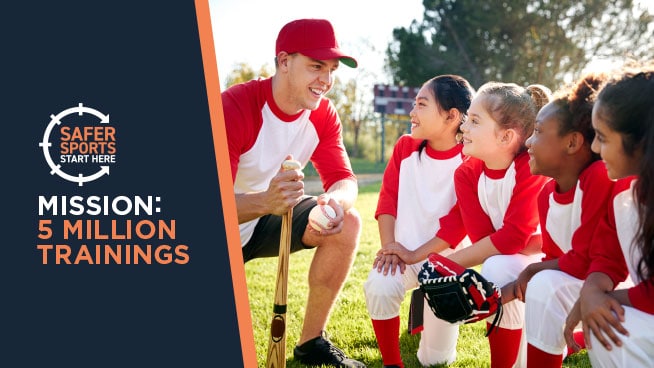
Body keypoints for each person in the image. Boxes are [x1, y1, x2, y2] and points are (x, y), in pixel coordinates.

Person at [221, 18, 365, 368]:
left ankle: (311, 343)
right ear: (284, 62)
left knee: (347, 223)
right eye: (316, 67)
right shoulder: (236, 106)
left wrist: (335, 202)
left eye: (331, 70)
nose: (326, 81)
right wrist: (265, 202)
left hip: (263, 222)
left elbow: (345, 179)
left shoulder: (322, 115)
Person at [382, 81, 552, 368]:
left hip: (556, 261)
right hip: (514, 257)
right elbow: (486, 238)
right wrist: (515, 242)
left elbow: (509, 239)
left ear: (506, 136)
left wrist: (438, 265)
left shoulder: (530, 166)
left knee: (499, 267)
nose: (463, 128)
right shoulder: (466, 174)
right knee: (498, 266)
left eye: (474, 121)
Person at [498, 73, 614, 367]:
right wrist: (519, 282)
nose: (528, 142)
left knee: (545, 283)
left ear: (573, 142)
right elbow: (557, 258)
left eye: (538, 131)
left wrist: (527, 275)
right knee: (543, 282)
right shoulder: (546, 194)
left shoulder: (597, 178)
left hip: (614, 281)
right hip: (585, 281)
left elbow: (585, 259)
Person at [363, 75, 475, 368]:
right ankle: (392, 363)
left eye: (422, 105)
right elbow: (388, 199)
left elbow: (456, 224)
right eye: (414, 105)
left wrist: (415, 254)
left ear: (452, 116)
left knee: (434, 361)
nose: (412, 113)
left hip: (445, 265)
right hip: (404, 256)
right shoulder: (405, 147)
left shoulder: (471, 159)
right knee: (380, 284)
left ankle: (424, 307)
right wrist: (391, 248)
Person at [563, 63, 654, 368]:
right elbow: (607, 255)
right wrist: (592, 290)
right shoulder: (627, 191)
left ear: (640, 142)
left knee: (615, 330)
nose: (593, 147)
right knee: (605, 322)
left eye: (602, 136)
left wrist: (598, 302)